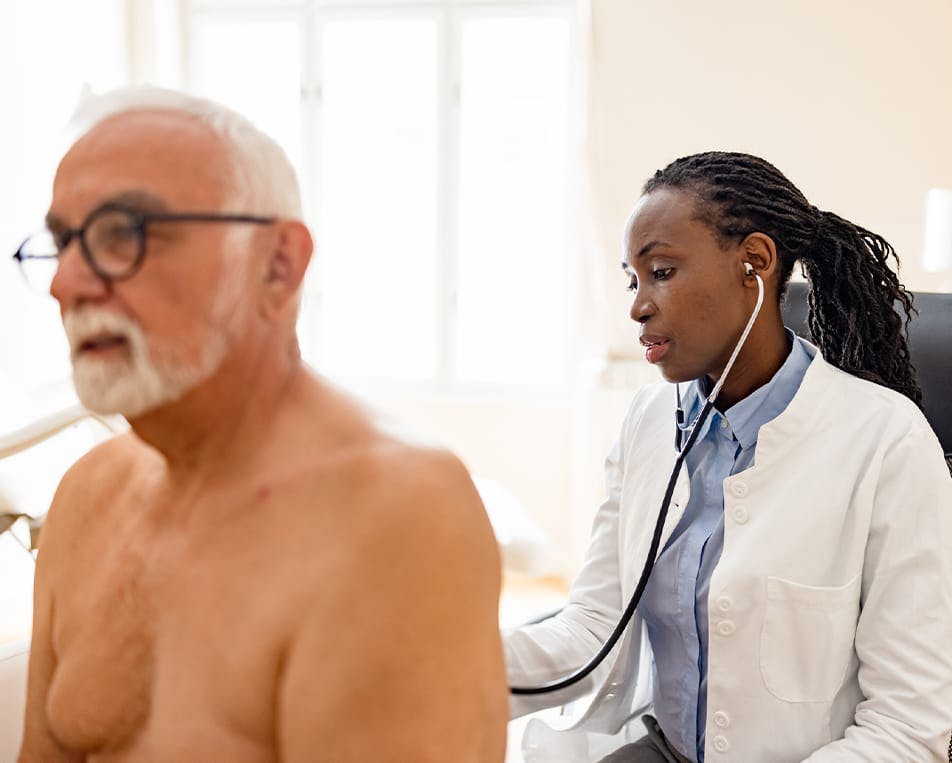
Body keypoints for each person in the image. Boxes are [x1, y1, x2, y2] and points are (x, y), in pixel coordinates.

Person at [15, 87, 508, 761]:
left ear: (278, 266)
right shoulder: (86, 496)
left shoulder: (397, 518)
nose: (66, 284)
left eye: (123, 233)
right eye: (63, 242)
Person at [504, 152, 952, 762]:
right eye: (633, 280)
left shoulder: (886, 441)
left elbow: (905, 726)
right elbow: (592, 629)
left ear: (755, 262)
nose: (638, 306)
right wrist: (439, 659)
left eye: (662, 271)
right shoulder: (648, 422)